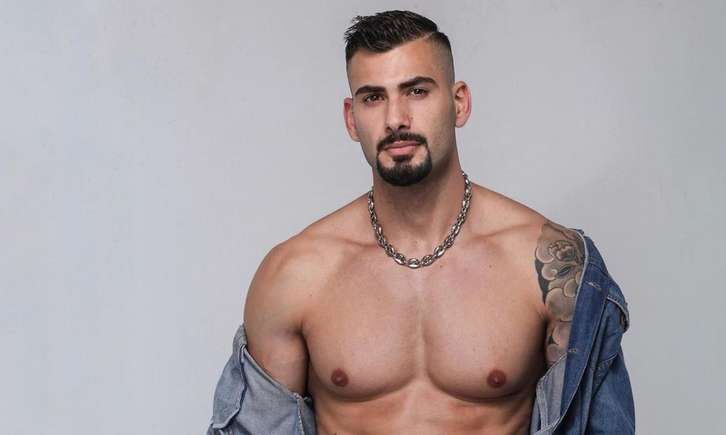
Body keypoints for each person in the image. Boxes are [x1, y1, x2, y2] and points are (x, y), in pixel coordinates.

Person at [207, 10, 634, 435]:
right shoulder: (294, 275)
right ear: (351, 118)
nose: (395, 118)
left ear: (459, 102)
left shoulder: (547, 265)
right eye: (373, 97)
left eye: (416, 91)